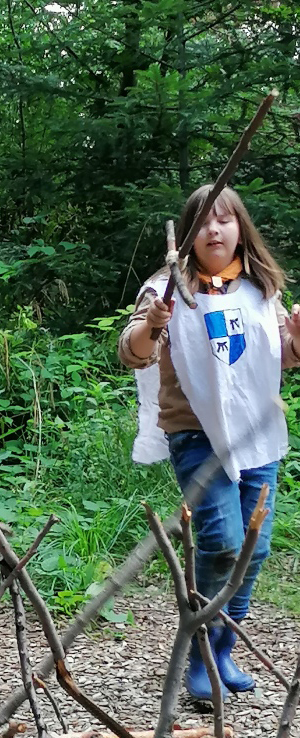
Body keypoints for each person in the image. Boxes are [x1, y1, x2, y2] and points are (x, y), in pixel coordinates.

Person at [119, 185, 300, 702]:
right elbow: (132, 353)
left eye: (224, 220)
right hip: (195, 433)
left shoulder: (259, 286)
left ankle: (222, 648)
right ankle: (199, 650)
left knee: (255, 546)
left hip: (258, 434)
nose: (214, 230)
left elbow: (282, 355)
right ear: (189, 235)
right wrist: (153, 326)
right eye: (202, 222)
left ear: (241, 227)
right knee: (221, 539)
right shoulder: (167, 289)